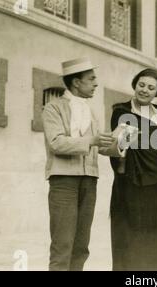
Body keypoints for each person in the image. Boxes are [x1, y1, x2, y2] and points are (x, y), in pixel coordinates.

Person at [42, 57, 117, 271]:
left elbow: (98, 147)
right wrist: (92, 140)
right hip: (63, 181)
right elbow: (56, 143)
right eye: (91, 79)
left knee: (81, 246)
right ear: (76, 82)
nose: (96, 83)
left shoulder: (90, 111)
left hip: (89, 181)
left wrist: (119, 144)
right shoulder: (53, 108)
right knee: (62, 245)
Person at [108, 68, 157, 271]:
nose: (145, 90)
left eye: (151, 87)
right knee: (131, 239)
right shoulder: (122, 111)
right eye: (141, 85)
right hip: (132, 183)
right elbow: (119, 146)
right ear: (134, 84)